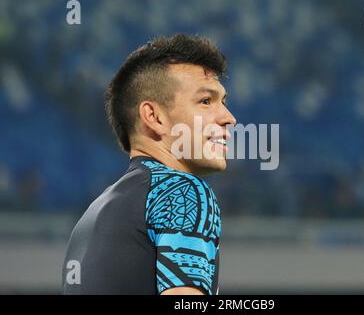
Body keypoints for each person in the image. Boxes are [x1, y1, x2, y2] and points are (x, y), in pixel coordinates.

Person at [62, 34, 236, 295]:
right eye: (205, 101)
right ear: (154, 117)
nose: (229, 118)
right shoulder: (181, 192)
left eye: (223, 102)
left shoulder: (88, 220)